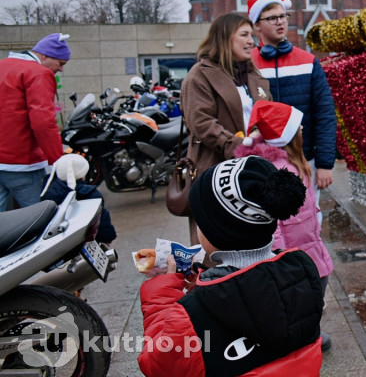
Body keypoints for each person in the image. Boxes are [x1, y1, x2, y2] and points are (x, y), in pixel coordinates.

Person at [138, 156, 323, 376]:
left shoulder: (192, 314)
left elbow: (159, 365)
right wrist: (209, 281)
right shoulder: (301, 272)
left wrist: (162, 295)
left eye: (199, 221)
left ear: (215, 232)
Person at [235, 100, 334, 351]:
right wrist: (278, 255)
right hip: (292, 250)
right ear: (287, 137)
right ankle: (301, 337)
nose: (302, 129)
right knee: (302, 294)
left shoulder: (294, 165)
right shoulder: (279, 172)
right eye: (297, 127)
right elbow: (273, 222)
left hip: (308, 243)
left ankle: (307, 331)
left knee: (316, 286)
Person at [180, 13, 272, 242]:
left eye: (252, 35)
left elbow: (266, 113)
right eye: (244, 35)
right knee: (218, 242)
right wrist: (239, 145)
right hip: (215, 168)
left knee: (252, 238)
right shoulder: (199, 75)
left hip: (252, 168)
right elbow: (200, 122)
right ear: (224, 38)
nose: (252, 41)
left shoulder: (253, 75)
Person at [248, 0, 337, 193]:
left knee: (307, 219)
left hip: (304, 160)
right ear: (257, 25)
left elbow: (324, 114)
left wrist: (325, 164)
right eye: (272, 18)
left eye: (283, 16)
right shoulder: (247, 64)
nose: (280, 22)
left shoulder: (308, 61)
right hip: (261, 162)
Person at [0, 33, 71, 211]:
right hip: (23, 164)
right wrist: (57, 160)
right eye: (61, 63)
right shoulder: (39, 73)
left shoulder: (2, 66)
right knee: (38, 221)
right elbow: (43, 122)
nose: (61, 69)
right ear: (44, 55)